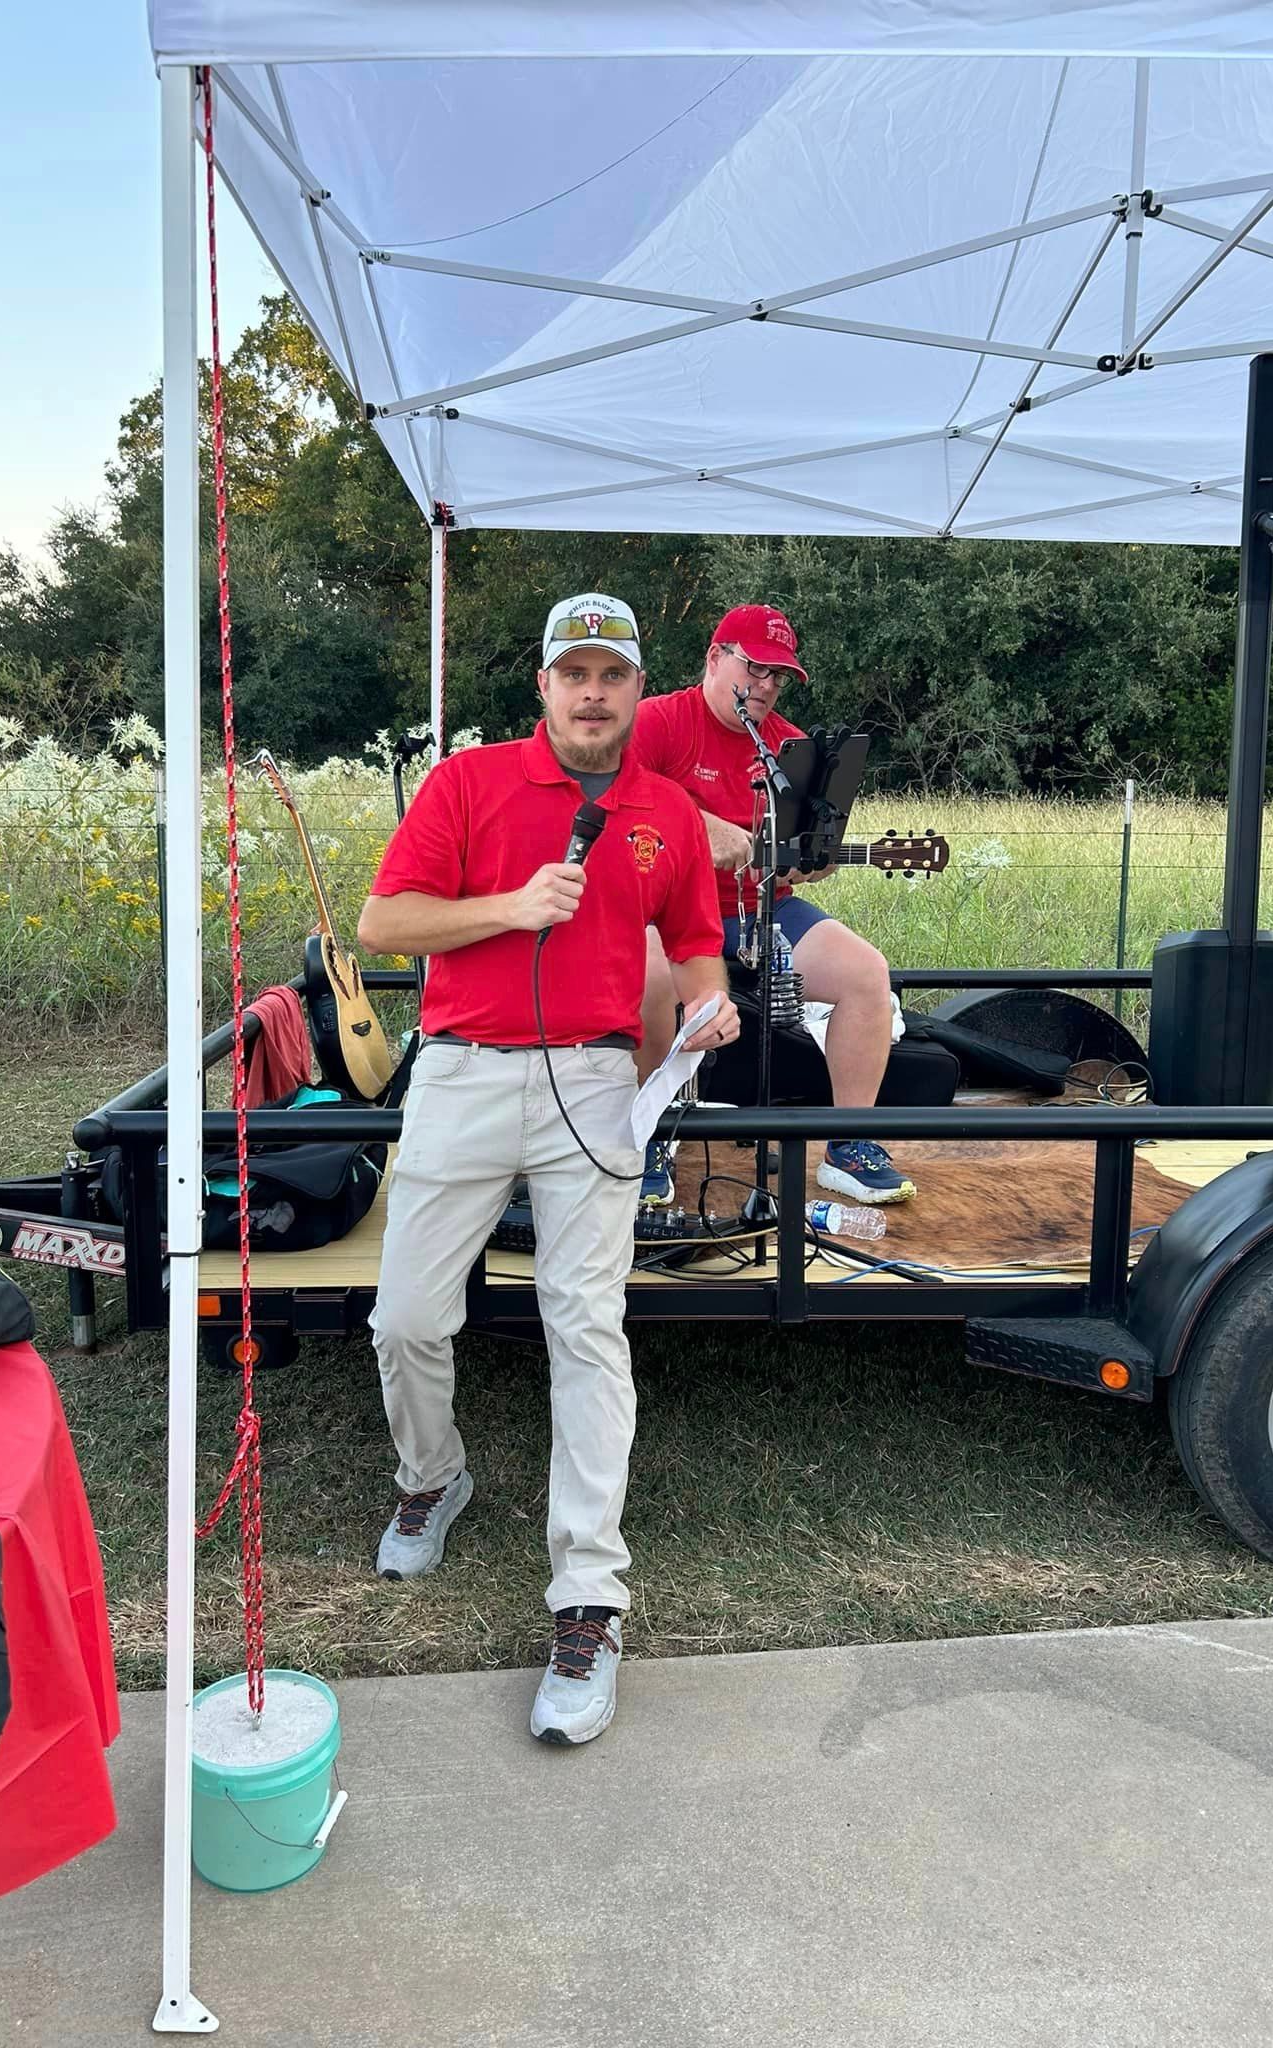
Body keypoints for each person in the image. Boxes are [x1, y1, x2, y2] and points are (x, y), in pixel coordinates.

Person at [357, 591, 737, 1747]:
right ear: (542, 685)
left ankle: (589, 1597)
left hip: (593, 1082)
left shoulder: (664, 808)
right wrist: (509, 908)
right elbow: (382, 922)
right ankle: (434, 1475)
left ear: (635, 688)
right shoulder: (467, 784)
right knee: (406, 1315)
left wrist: (711, 1001)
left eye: (612, 674)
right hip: (465, 1072)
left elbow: (698, 938)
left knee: (587, 1324)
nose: (591, 692)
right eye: (572, 672)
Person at [631, 603, 915, 1206]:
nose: (765, 686)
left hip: (764, 909)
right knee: (652, 977)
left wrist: (817, 857)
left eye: (778, 676)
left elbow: (816, 850)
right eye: (754, 668)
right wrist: (699, 826)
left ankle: (849, 1141)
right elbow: (618, 797)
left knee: (867, 973)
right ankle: (646, 1133)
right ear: (715, 658)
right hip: (664, 910)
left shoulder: (790, 745)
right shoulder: (657, 722)